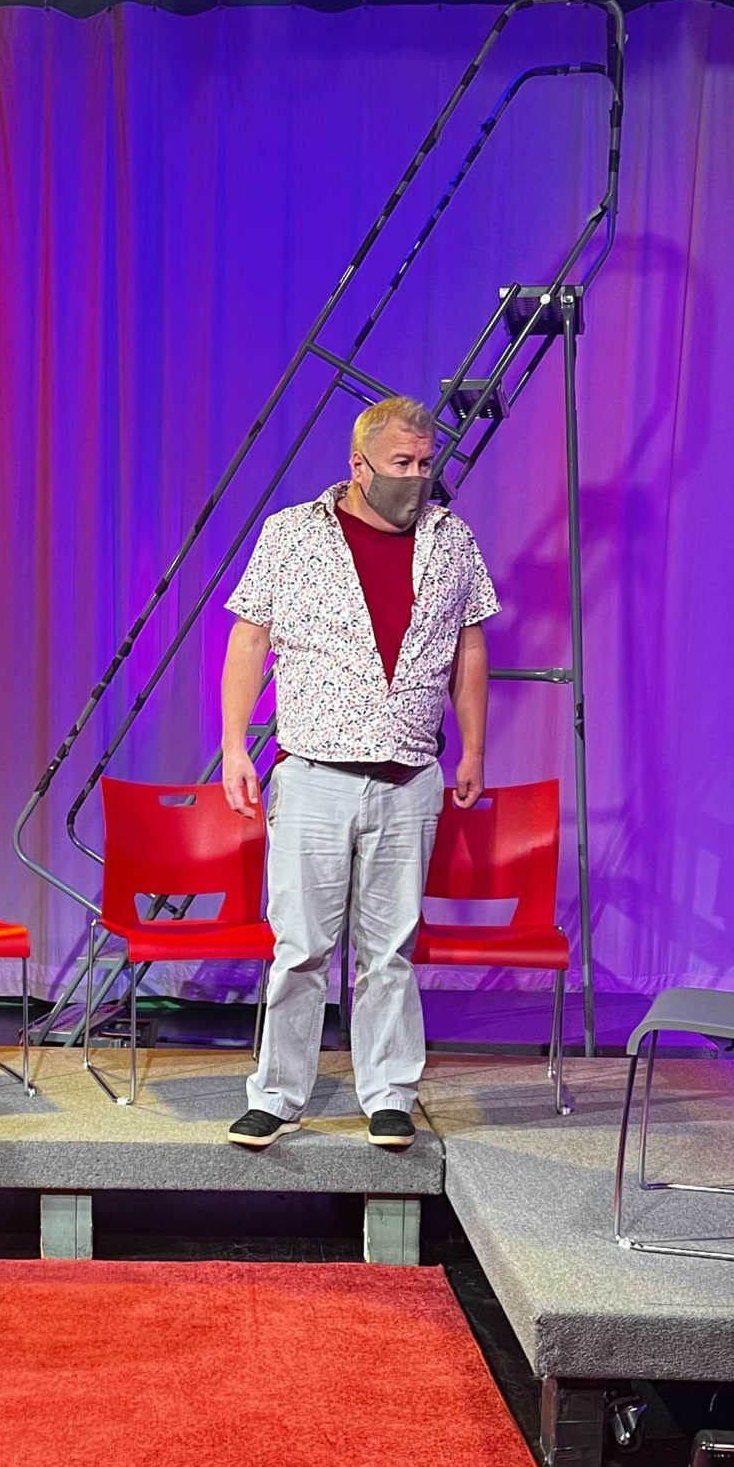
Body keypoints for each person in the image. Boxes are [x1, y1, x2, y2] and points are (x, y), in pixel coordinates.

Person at [219, 394, 496, 1151]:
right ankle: (277, 1096)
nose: (416, 476)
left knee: (390, 951)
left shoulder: (451, 539)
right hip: (314, 771)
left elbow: (470, 647)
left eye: (425, 462)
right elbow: (250, 639)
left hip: (409, 774)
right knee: (301, 948)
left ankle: (390, 1095)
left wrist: (474, 748)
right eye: (401, 463)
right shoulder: (293, 533)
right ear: (360, 466)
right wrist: (235, 745)